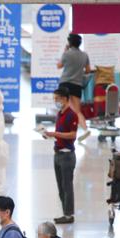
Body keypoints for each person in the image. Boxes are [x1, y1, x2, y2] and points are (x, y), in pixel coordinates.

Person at [44, 87, 78, 224]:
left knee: (67, 186)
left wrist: (55, 134)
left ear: (65, 99)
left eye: (57, 98)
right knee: (61, 186)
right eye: (54, 99)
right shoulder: (60, 113)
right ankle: (65, 212)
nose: (55, 101)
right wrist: (50, 136)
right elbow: (60, 134)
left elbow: (73, 135)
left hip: (67, 156)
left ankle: (69, 215)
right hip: (57, 153)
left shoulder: (72, 115)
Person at [57, 33, 91, 141]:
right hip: (77, 85)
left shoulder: (67, 54)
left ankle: (64, 131)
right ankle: (85, 129)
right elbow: (88, 70)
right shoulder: (84, 55)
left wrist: (65, 51)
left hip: (65, 83)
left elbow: (59, 66)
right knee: (77, 110)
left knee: (64, 108)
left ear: (70, 43)